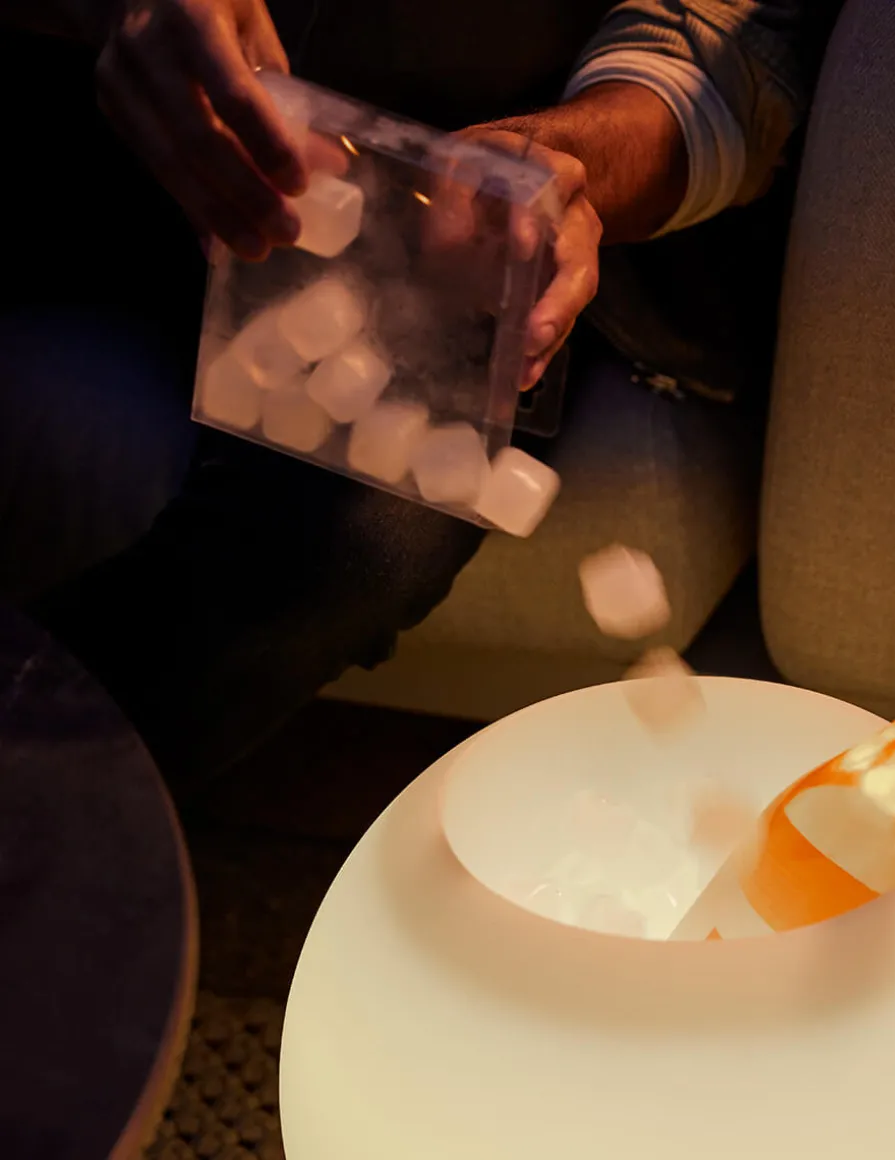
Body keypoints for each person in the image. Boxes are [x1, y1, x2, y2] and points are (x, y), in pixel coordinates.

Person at [0, 0, 837, 797]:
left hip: (449, 252)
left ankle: (40, 808)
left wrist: (546, 167)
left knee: (366, 536)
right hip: (95, 133)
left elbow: (722, 55)